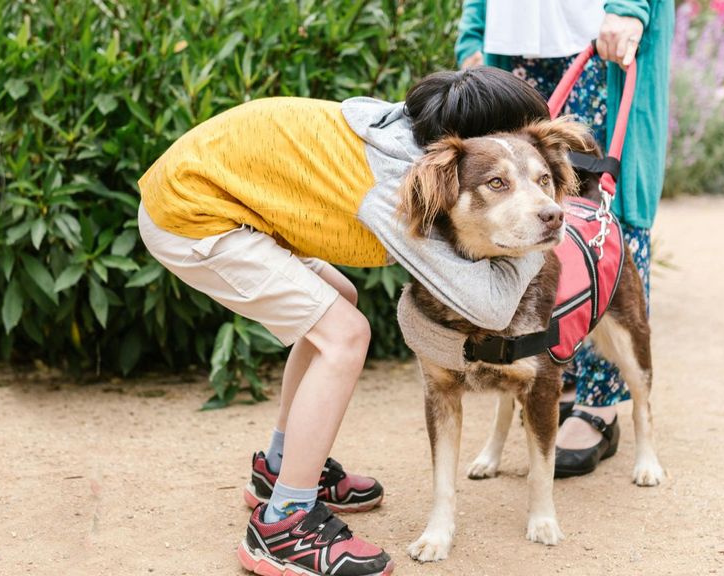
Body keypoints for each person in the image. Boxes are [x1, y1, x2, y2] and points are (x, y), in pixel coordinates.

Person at [137, 68, 552, 576]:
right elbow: (489, 307)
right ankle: (285, 525)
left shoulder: (405, 131)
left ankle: (279, 469)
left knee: (338, 297)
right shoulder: (400, 187)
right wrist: (547, 233)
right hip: (191, 215)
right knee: (345, 335)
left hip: (206, 196)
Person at [456, 0, 674, 477]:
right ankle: (554, 385)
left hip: (600, 39)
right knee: (518, 240)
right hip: (514, 54)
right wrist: (474, 34)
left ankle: (599, 404)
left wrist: (630, 8)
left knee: (603, 235)